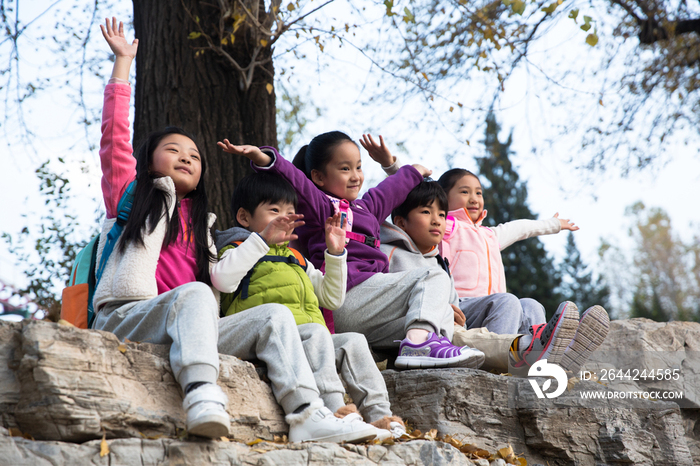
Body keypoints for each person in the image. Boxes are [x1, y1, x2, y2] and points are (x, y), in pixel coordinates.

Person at [93, 17, 376, 444]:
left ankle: (306, 414)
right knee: (195, 294)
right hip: (130, 316)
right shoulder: (134, 203)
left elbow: (222, 281)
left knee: (274, 316)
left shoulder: (205, 229)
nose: (187, 157)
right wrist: (123, 65)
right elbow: (114, 141)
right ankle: (203, 394)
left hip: (191, 322)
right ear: (149, 162)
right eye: (173, 150)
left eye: (194, 154)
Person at [216, 134, 484, 370]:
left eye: (358, 167)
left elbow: (396, 188)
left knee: (443, 316)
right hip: (347, 293)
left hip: (368, 310)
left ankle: (415, 356)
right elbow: (295, 179)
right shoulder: (320, 205)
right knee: (431, 276)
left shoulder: (368, 207)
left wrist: (410, 170)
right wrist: (264, 158)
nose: (355, 175)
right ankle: (419, 344)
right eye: (345, 168)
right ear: (319, 177)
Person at [212, 172, 406, 439]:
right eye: (274, 210)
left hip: (307, 341)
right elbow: (222, 280)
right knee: (316, 333)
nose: (285, 218)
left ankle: (380, 416)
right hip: (268, 339)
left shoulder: (297, 258)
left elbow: (332, 299)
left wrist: (336, 253)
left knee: (353, 341)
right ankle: (337, 411)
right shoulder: (238, 248)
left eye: (290, 212)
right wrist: (260, 242)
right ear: (245, 217)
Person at [379, 179, 608, 374]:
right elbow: (414, 194)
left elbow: (519, 228)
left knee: (530, 305)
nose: (474, 197)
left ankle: (549, 352)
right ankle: (504, 365)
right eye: (464, 191)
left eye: (478, 192)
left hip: (474, 308)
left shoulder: (485, 237)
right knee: (506, 301)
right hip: (463, 309)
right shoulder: (449, 229)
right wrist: (397, 168)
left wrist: (553, 224)